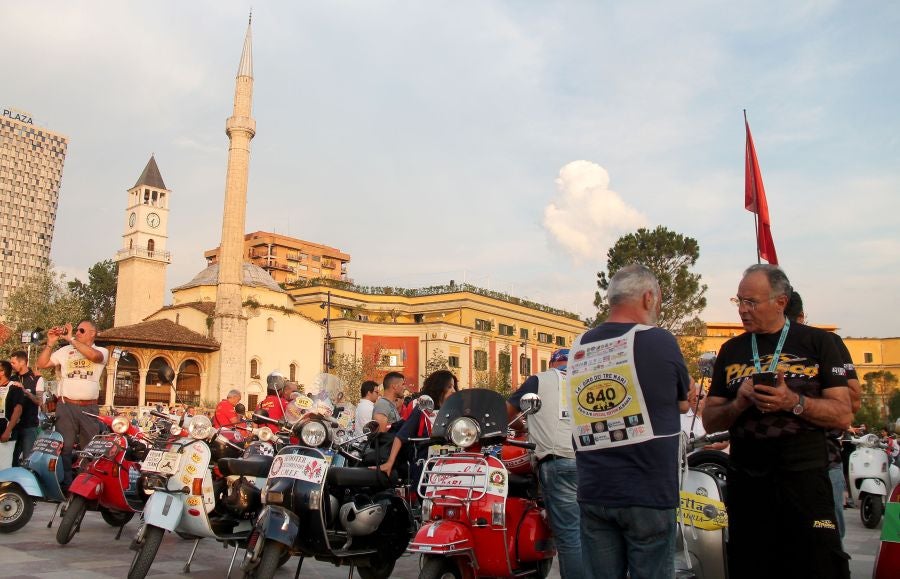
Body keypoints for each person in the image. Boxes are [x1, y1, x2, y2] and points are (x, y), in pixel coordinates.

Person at [703, 264, 851, 579]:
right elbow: (709, 420)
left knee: (822, 557)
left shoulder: (817, 343)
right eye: (738, 301)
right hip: (748, 480)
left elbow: (843, 413)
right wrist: (740, 402)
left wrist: (794, 402)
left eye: (751, 302)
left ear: (780, 302)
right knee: (751, 561)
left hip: (807, 479)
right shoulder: (731, 350)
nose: (742, 310)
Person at [566, 265, 689, 579]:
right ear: (648, 298)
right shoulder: (661, 341)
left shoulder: (579, 346)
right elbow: (683, 400)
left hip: (595, 491)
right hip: (647, 492)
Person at [785, 289, 861, 537]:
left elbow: (853, 400)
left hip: (821, 463)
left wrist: (800, 402)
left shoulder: (826, 342)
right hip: (766, 470)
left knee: (827, 544)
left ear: (801, 317)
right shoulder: (750, 346)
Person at [507, 348, 583, 579]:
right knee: (593, 532)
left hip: (559, 459)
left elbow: (508, 413)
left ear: (552, 364)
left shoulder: (540, 379)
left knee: (569, 535)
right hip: (592, 462)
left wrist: (524, 427)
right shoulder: (585, 379)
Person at [35, 321, 109, 486]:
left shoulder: (101, 350)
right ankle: (67, 482)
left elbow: (95, 357)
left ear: (93, 333)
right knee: (65, 446)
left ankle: (85, 482)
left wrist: (71, 339)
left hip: (89, 406)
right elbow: (42, 364)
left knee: (89, 446)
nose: (78, 332)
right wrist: (50, 343)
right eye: (77, 330)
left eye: (82, 330)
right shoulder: (65, 351)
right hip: (66, 405)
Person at [379, 370, 459, 481]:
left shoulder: (455, 411)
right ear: (439, 387)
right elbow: (401, 436)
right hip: (426, 466)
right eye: (449, 387)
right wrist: (390, 462)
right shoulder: (423, 408)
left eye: (454, 387)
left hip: (452, 465)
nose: (454, 391)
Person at [9, 351, 42, 465]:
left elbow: (39, 401)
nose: (11, 365)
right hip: (14, 426)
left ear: (22, 362)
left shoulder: (37, 378)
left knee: (28, 460)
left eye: (13, 363)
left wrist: (24, 391)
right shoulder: (12, 378)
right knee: (11, 459)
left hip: (29, 425)